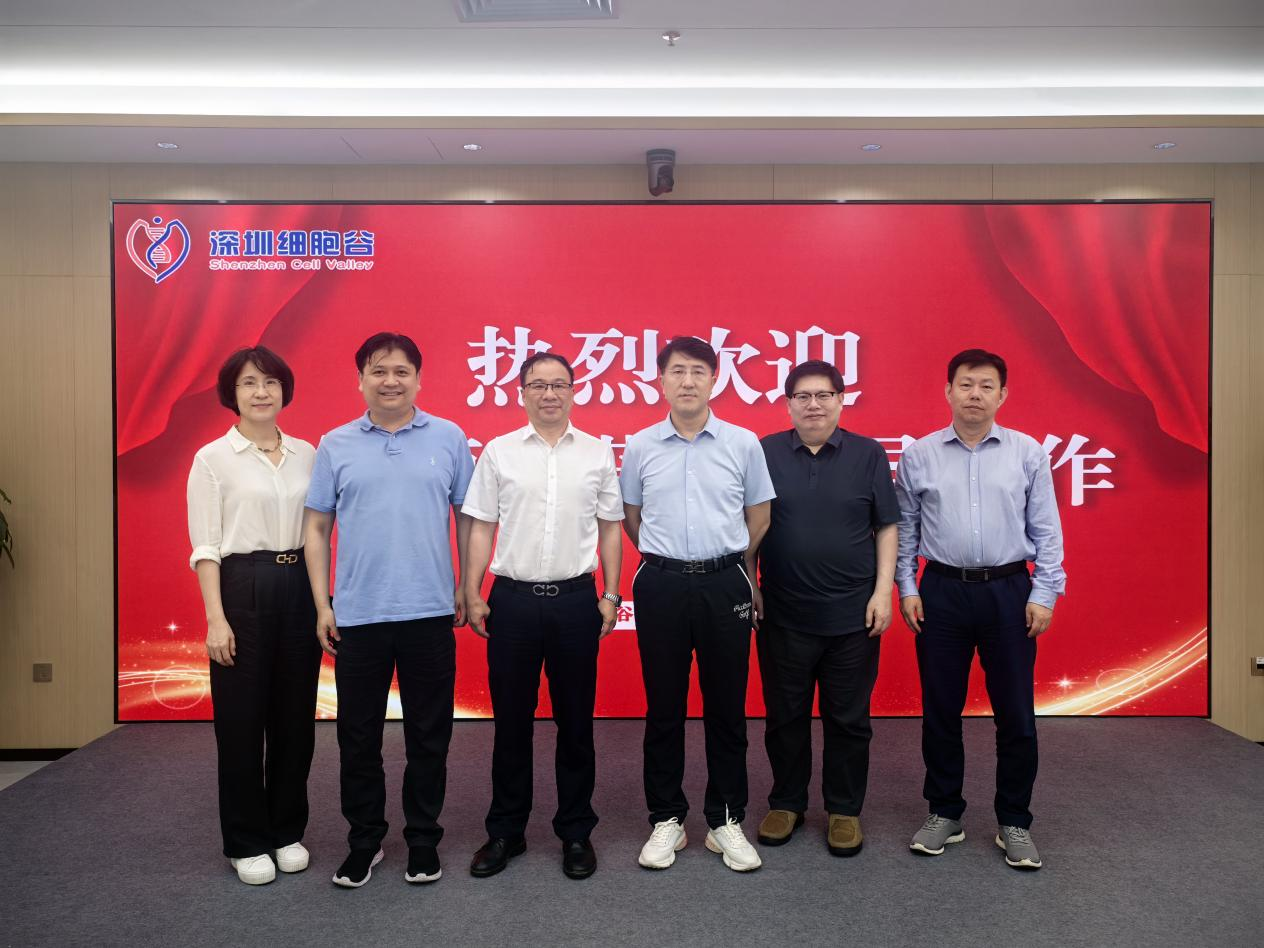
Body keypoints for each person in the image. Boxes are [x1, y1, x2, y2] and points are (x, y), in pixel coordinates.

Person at [303, 332, 474, 888]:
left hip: (429, 611)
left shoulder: (449, 438)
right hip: (359, 614)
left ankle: (423, 839)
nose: (391, 381)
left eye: (402, 371)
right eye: (378, 371)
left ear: (419, 379)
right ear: (360, 380)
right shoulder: (335, 444)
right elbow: (316, 527)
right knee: (358, 738)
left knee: (429, 735)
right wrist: (322, 603)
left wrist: (466, 585)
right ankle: (365, 841)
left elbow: (468, 518)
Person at [896, 348, 1065, 871]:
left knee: (1016, 713)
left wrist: (1044, 592)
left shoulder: (1027, 453)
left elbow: (1047, 529)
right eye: (965, 384)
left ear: (1002, 395)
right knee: (940, 710)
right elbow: (906, 530)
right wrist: (907, 586)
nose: (975, 394)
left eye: (986, 385)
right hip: (941, 592)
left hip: (1009, 591)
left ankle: (1014, 819)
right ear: (948, 391)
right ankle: (945, 811)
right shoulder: (919, 454)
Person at [461, 352, 624, 881]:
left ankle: (576, 831)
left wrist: (610, 593)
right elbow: (482, 524)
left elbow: (610, 527)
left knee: (576, 723)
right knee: (511, 722)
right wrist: (473, 589)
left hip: (576, 601)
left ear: (574, 391)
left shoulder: (597, 452)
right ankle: (505, 831)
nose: (549, 394)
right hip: (513, 601)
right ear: (522, 393)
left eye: (559, 385)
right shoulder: (499, 452)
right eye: (538, 385)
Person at [621, 336, 775, 873]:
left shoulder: (742, 443)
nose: (687, 381)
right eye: (677, 371)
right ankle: (667, 818)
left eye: (698, 371)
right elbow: (632, 517)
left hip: (724, 582)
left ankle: (725, 819)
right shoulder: (640, 445)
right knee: (663, 705)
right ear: (660, 380)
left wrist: (733, 563)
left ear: (715, 379)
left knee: (726, 706)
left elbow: (759, 515)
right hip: (661, 582)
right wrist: (668, 558)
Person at [187, 346, 322, 886]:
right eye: (248, 383)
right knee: (241, 723)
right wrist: (216, 619)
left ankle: (286, 830)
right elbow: (206, 546)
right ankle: (245, 840)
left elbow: (318, 532)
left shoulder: (308, 453)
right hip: (242, 587)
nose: (261, 392)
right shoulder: (213, 459)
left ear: (285, 389)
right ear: (232, 393)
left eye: (269, 382)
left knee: (295, 720)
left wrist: (322, 602)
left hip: (299, 585)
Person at [755, 360, 899, 857]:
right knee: (784, 717)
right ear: (788, 403)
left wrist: (883, 592)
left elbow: (886, 526)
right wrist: (750, 583)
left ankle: (843, 809)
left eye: (823, 395)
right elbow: (749, 522)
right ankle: (787, 802)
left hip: (852, 616)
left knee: (849, 719)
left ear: (840, 400)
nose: (813, 404)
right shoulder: (765, 452)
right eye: (802, 396)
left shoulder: (868, 453)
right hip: (782, 613)